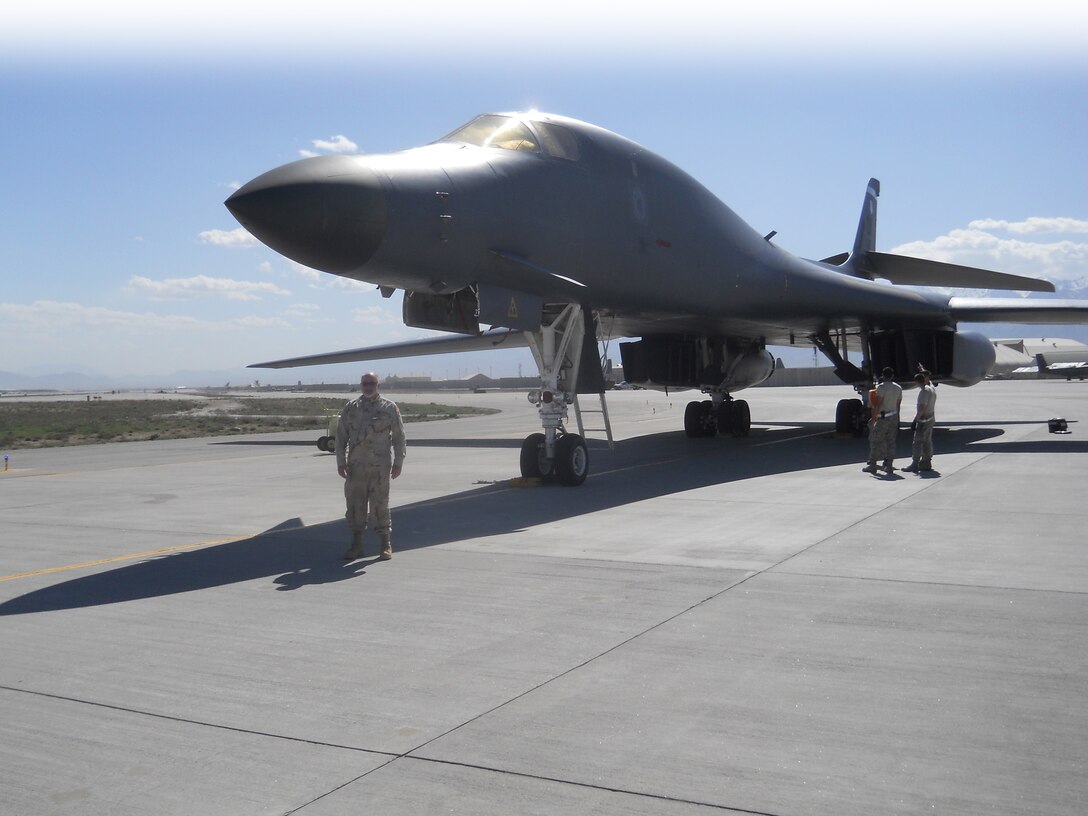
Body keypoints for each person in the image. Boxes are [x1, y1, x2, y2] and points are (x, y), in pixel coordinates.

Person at [335, 373, 406, 561]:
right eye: (365, 383)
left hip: (379, 468)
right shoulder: (351, 408)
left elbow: (399, 437)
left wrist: (398, 462)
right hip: (355, 468)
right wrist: (340, 462)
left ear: (378, 385)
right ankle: (357, 545)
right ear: (361, 385)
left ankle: (385, 544)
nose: (368, 387)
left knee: (380, 505)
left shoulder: (389, 408)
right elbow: (341, 437)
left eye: (372, 383)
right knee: (355, 506)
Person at [863, 366, 902, 474]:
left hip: (883, 417)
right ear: (892, 375)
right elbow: (898, 405)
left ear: (883, 376)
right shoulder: (898, 388)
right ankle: (889, 466)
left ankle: (873, 465)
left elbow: (879, 404)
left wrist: (873, 418)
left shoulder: (881, 387)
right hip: (893, 416)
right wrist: (898, 419)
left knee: (876, 441)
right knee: (891, 441)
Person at [904, 369, 937, 473]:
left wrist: (915, 420)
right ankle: (926, 462)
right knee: (927, 441)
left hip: (923, 420)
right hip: (930, 418)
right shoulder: (931, 389)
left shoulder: (924, 392)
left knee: (917, 442)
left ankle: (915, 463)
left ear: (917, 382)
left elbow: (921, 408)